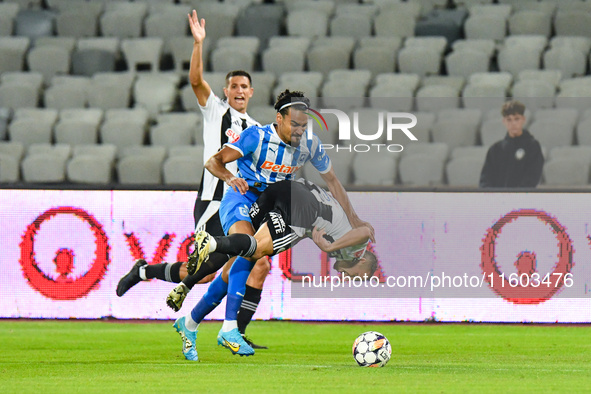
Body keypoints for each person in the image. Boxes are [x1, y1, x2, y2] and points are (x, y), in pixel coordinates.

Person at [173, 89, 375, 359]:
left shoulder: (310, 145)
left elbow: (333, 181)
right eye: (295, 124)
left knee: (239, 262)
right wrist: (229, 178)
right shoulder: (255, 137)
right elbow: (214, 161)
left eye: (304, 125)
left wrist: (353, 217)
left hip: (275, 204)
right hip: (241, 198)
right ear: (279, 118)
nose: (300, 130)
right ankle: (228, 327)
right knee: (249, 252)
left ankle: (190, 323)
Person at [116, 8, 269, 349]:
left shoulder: (258, 130)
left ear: (252, 92)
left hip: (240, 205)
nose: (239, 91)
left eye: (244, 86)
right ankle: (144, 272)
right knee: (203, 272)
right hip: (213, 201)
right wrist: (198, 44)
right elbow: (197, 81)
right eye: (233, 86)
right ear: (227, 91)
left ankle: (235, 331)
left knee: (256, 262)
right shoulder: (216, 110)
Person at [174, 179, 376, 361]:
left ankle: (191, 322)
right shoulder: (356, 251)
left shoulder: (343, 237)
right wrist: (329, 247)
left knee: (240, 256)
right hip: (299, 211)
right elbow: (365, 231)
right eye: (358, 276)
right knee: (255, 250)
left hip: (282, 191)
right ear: (362, 261)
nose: (349, 278)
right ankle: (213, 247)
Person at [480, 100, 544, 188]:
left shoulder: (532, 146)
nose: (513, 123)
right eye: (509, 120)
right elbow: (485, 179)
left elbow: (532, 177)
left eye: (517, 119)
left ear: (523, 119)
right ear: (504, 121)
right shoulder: (495, 149)